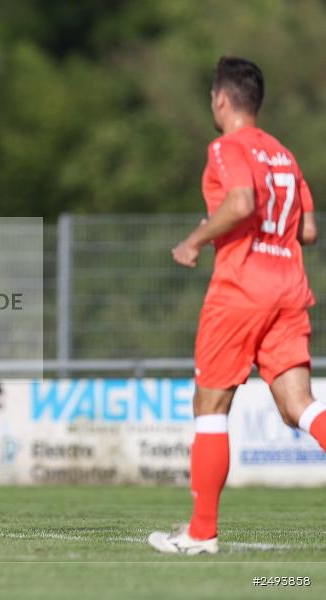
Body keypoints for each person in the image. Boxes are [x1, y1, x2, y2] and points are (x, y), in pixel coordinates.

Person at [149, 57, 326, 555]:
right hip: (289, 288)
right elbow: (308, 230)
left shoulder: (227, 147)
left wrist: (196, 240)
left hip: (242, 289)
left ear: (222, 99)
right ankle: (200, 531)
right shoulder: (285, 155)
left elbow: (242, 203)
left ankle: (201, 533)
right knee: (299, 407)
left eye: (212, 97)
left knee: (210, 406)